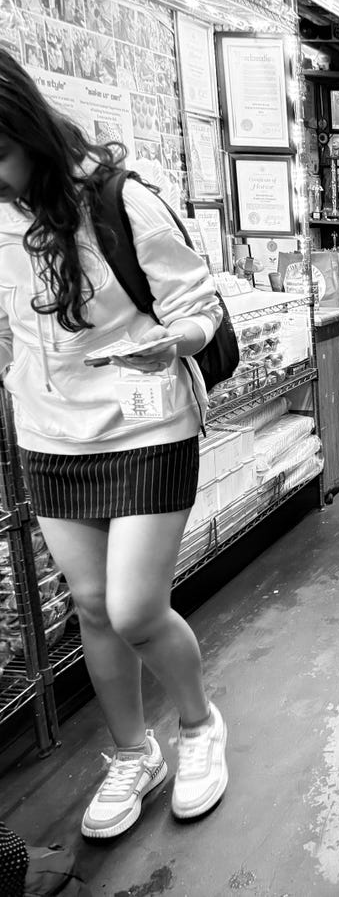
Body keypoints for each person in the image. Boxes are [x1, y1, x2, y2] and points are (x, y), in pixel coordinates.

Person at [0, 50, 228, 838]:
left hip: (144, 425)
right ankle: (134, 754)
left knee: (134, 605)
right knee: (93, 609)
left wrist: (174, 344)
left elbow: (200, 306)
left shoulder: (118, 199)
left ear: (26, 128)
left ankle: (198, 725)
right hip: (49, 435)